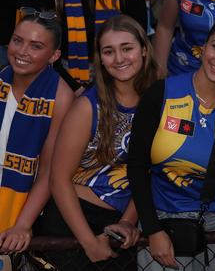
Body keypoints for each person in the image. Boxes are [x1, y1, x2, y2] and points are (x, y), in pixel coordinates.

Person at [128, 3, 215, 270]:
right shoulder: (161, 93)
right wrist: (153, 231)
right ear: (204, 46)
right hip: (162, 224)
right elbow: (136, 165)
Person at [41, 15, 157, 269]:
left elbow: (149, 172)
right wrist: (88, 242)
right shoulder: (86, 106)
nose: (119, 58)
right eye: (109, 51)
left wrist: (127, 221)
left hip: (120, 223)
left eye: (127, 48)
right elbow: (58, 179)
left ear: (144, 50)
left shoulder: (161, 102)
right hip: (73, 220)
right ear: (101, 59)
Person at [0, 11, 73, 254]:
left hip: (20, 206)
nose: (21, 52)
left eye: (36, 46)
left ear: (54, 55)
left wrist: (22, 225)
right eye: (17, 40)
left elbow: (50, 170)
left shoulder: (61, 97)